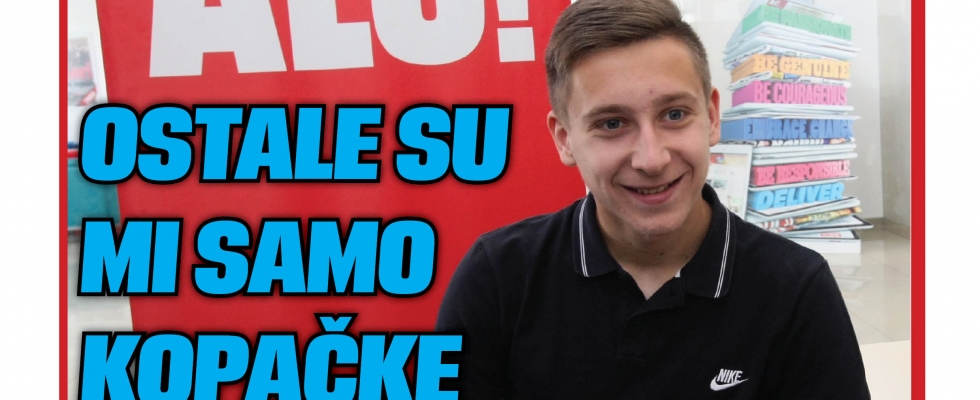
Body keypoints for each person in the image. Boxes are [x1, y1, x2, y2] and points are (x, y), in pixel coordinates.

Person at [436, 0, 871, 398]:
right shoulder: (497, 278)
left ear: (712, 117)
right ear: (565, 139)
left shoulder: (796, 289)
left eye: (674, 114)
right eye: (612, 124)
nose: (652, 159)